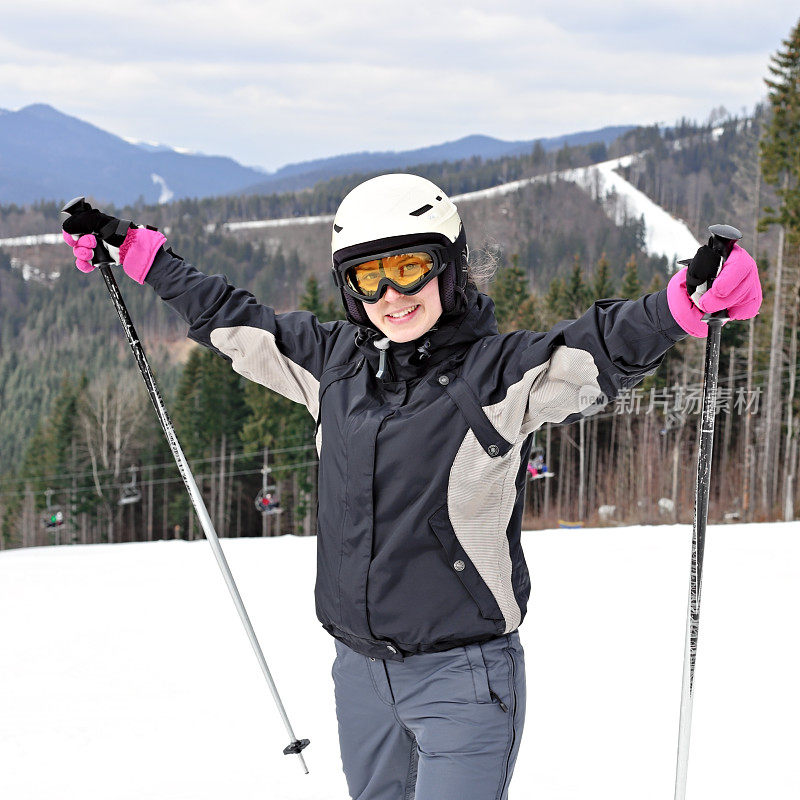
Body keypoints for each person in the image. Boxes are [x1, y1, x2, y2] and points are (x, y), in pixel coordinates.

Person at [62, 173, 762, 800]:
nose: (392, 295)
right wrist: (136, 251)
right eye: (370, 277)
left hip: (463, 678)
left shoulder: (498, 378)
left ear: (448, 269)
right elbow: (232, 317)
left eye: (409, 267)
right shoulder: (333, 366)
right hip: (358, 674)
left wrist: (682, 306)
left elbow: (594, 347)